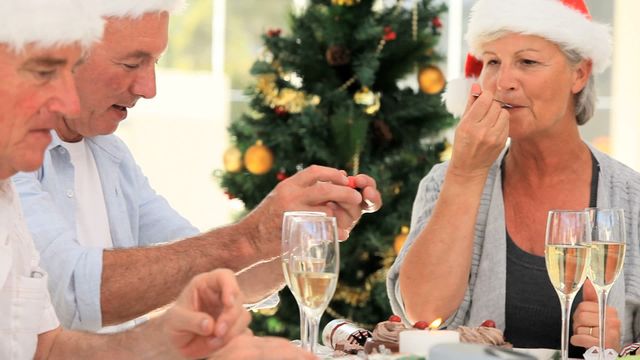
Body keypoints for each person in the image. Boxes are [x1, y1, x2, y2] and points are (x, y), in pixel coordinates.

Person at [12, 0, 382, 332]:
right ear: (66, 52)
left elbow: (215, 279)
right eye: (131, 63)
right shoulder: (14, 159)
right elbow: (72, 292)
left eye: (155, 62)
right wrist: (251, 236)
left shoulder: (113, 157)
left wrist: (297, 233)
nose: (149, 87)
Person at [387, 0, 639, 356]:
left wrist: (622, 350)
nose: (503, 82)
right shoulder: (445, 181)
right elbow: (424, 314)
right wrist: (465, 172)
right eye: (492, 62)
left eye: (528, 62)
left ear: (579, 74)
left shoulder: (633, 198)